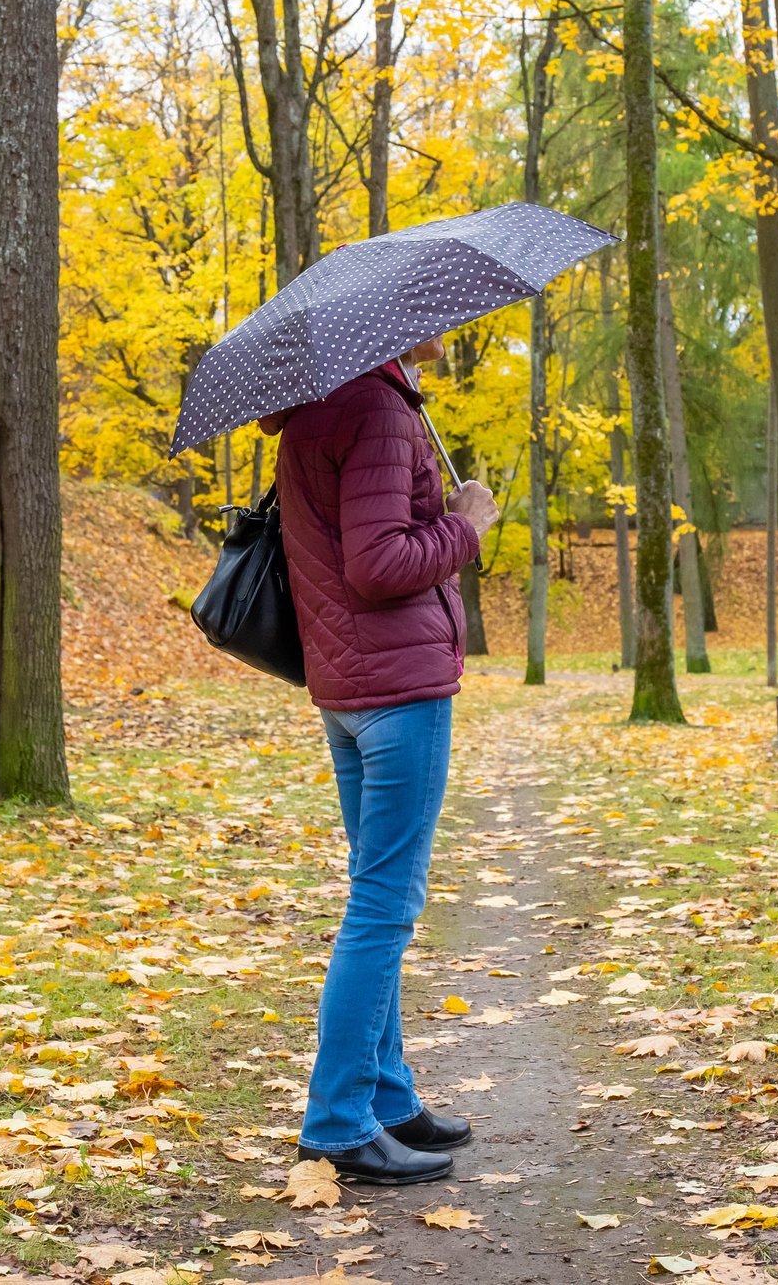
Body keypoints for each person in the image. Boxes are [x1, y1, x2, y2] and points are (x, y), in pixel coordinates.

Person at [270, 334, 500, 1185]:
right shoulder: (373, 406)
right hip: (398, 691)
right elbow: (378, 565)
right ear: (397, 324)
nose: (450, 325)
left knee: (378, 897)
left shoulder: (325, 407)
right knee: (384, 908)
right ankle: (336, 1122)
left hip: (349, 691)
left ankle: (388, 1098)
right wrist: (466, 528)